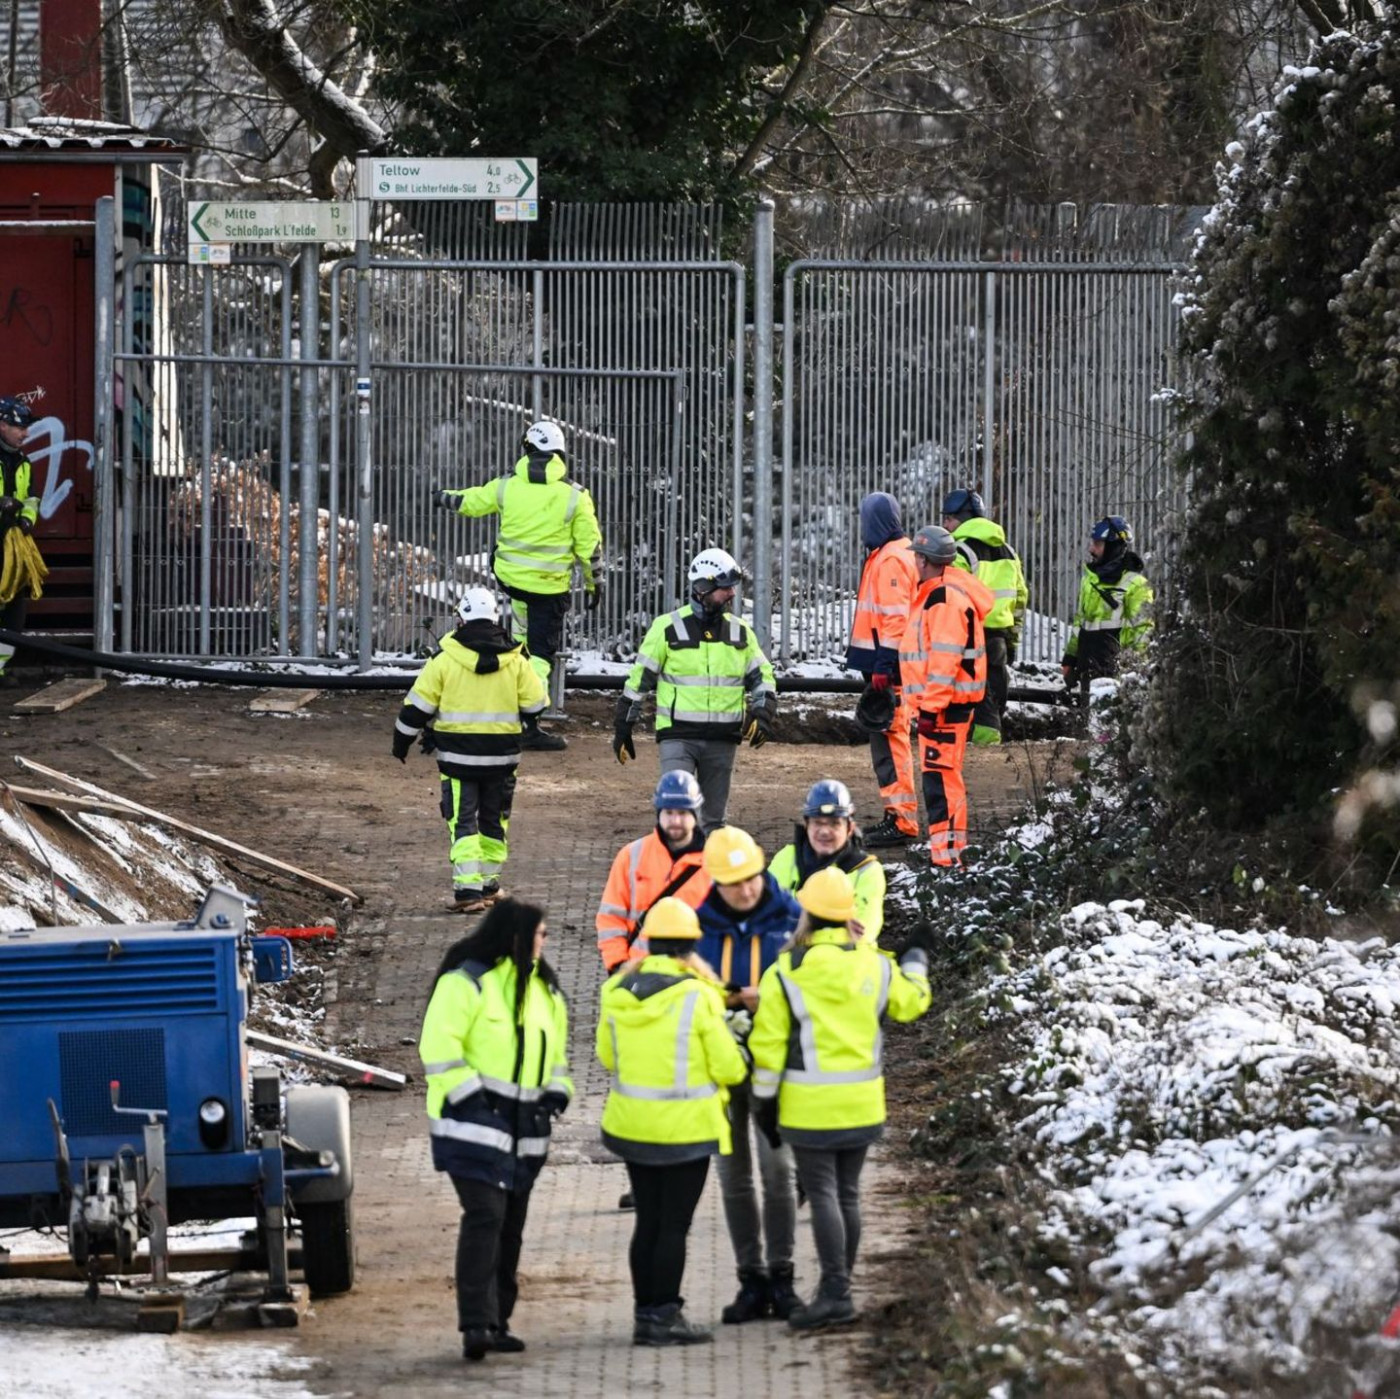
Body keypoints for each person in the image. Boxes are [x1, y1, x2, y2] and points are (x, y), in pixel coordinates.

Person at [748, 867, 933, 1331]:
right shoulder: (874, 964)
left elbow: (767, 1048)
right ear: (850, 914)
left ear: (806, 914)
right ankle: (839, 1288)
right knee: (848, 1194)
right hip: (864, 1103)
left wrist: (764, 1105)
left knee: (825, 1194)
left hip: (809, 1107)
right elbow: (912, 1003)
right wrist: (915, 956)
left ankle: (835, 1293)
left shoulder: (786, 971)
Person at [418, 899, 572, 1362]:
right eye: (540, 935)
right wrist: (474, 1101)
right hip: (471, 1126)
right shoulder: (466, 981)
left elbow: (559, 1054)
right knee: (485, 1216)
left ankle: (498, 1321)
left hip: (525, 1131)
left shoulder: (546, 990)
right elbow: (438, 1046)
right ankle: (476, 1324)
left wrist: (558, 1091)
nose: (545, 944)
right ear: (517, 937)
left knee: (510, 1227)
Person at [596, 897, 751, 1346]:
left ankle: (646, 1313)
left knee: (648, 1221)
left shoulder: (617, 991)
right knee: (673, 1227)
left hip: (631, 1126)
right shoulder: (699, 996)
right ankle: (664, 1316)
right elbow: (728, 1068)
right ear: (690, 946)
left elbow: (607, 1055)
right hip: (686, 1131)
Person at [437, 419, 603, 750]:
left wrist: (443, 498)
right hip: (548, 589)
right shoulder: (575, 496)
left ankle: (505, 700)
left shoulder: (506, 486)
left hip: (512, 582)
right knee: (541, 654)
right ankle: (527, 722)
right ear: (559, 454)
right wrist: (594, 583)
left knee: (523, 640)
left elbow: (472, 501)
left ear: (526, 450)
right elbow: (589, 548)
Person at [694, 826, 803, 1323]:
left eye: (752, 878)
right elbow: (687, 993)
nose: (746, 889)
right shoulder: (696, 928)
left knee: (779, 1173)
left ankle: (782, 1276)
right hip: (720, 1068)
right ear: (716, 882)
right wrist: (734, 996)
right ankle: (750, 1280)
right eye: (735, 882)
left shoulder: (794, 919)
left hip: (775, 1068)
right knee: (734, 1176)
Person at [392, 587, 547, 913]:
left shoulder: (445, 660)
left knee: (463, 822)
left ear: (461, 618)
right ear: (495, 617)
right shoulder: (517, 659)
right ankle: (489, 886)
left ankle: (467, 893)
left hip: (458, 759)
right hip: (503, 757)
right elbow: (536, 706)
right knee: (494, 820)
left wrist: (401, 742)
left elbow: (416, 708)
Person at [613, 547, 777, 831]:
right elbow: (638, 681)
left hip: (723, 739)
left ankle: (707, 874)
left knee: (713, 823)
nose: (732, 594)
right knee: (675, 816)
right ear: (703, 587)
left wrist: (763, 712)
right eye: (725, 588)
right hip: (678, 737)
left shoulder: (740, 632)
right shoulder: (666, 628)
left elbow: (763, 676)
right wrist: (623, 725)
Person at [899, 525, 993, 868]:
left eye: (916, 557)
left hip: (943, 707)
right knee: (940, 778)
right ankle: (947, 855)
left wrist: (930, 707)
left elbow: (943, 660)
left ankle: (949, 859)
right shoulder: (941, 593)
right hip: (944, 705)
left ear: (923, 560)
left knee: (941, 780)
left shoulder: (943, 599)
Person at [846, 492, 922, 847]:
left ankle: (902, 820)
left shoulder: (892, 559)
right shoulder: (894, 554)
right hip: (888, 665)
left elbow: (895, 619)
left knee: (891, 742)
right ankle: (897, 815)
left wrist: (883, 666)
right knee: (890, 741)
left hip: (888, 670)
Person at [596, 770, 712, 975]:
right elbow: (610, 918)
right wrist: (617, 965)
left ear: (696, 814)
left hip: (693, 979)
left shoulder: (715, 863)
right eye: (669, 812)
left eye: (683, 813)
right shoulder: (631, 856)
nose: (675, 820)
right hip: (637, 975)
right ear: (659, 813)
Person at [942, 488, 1029, 747]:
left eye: (948, 518)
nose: (945, 525)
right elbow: (1021, 597)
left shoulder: (958, 551)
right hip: (999, 637)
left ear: (963, 517)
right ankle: (988, 745)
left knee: (976, 701)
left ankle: (982, 753)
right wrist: (1013, 639)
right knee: (995, 693)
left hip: (968, 637)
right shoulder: (1009, 552)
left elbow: (951, 598)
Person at [768, 779, 887, 945]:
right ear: (806, 825)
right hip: (790, 961)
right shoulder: (787, 857)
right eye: (817, 823)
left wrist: (800, 924)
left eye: (834, 824)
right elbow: (765, 915)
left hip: (848, 965)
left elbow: (864, 934)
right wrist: (836, 924)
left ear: (850, 828)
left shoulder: (867, 870)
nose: (824, 831)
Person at [1061, 515, 1154, 690]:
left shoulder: (1136, 585)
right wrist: (1070, 658)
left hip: (1116, 677)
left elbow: (1143, 633)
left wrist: (1135, 673)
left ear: (1113, 546)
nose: (1091, 549)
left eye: (1097, 544)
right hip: (1086, 671)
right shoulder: (1090, 581)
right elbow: (1079, 623)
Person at [0, 396, 41, 683]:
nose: (25, 432)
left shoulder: (24, 462)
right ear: (2, 425)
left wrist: (27, 517)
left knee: (13, 610)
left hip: (11, 542)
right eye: (20, 426)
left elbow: (32, 498)